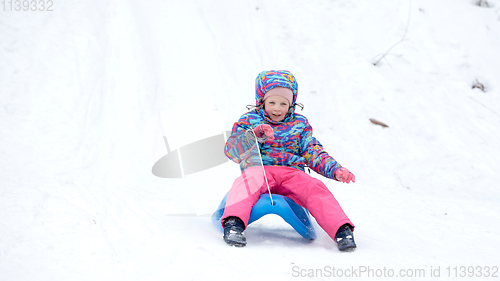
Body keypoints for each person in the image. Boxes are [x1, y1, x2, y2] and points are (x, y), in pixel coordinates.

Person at [221, 70, 357, 251]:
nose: (277, 108)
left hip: (292, 174)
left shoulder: (299, 124)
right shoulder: (249, 120)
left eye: (283, 103)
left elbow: (313, 151)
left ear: (292, 103)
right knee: (246, 183)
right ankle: (234, 222)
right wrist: (253, 136)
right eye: (272, 102)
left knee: (314, 187)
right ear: (261, 101)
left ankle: (341, 229)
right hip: (259, 169)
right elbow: (232, 150)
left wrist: (336, 170)